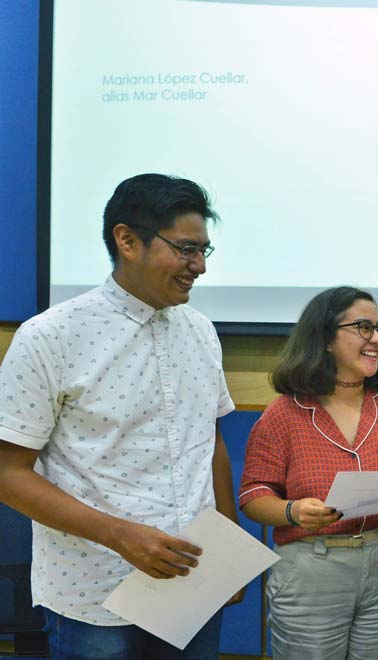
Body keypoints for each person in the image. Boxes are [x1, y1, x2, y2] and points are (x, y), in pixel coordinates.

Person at [0, 173, 240, 659]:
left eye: (203, 252)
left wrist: (229, 553)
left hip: (193, 581)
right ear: (127, 240)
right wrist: (122, 536)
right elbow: (7, 473)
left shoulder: (201, 330)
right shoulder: (50, 337)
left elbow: (208, 442)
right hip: (96, 590)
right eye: (186, 250)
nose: (199, 267)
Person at [238, 287, 378, 659]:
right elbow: (252, 495)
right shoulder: (284, 413)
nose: (376, 339)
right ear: (326, 337)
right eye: (363, 327)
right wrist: (293, 512)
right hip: (314, 567)